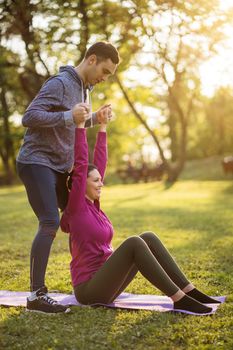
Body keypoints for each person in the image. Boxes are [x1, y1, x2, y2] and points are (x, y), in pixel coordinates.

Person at [60, 110, 220, 315]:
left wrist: (102, 127)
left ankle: (190, 290)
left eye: (101, 179)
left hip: (107, 279)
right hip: (89, 289)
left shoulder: (95, 205)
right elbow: (82, 166)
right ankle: (179, 299)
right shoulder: (76, 208)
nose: (101, 183)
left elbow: (100, 162)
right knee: (135, 242)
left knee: (148, 237)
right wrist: (80, 127)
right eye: (96, 181)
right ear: (81, 184)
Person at [16, 42, 120, 313]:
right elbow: (29, 117)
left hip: (61, 168)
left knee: (81, 213)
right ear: (92, 59)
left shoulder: (87, 90)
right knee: (50, 221)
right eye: (105, 71)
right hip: (37, 160)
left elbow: (78, 121)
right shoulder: (60, 83)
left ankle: (93, 276)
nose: (105, 77)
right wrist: (66, 116)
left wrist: (97, 117)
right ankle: (36, 296)